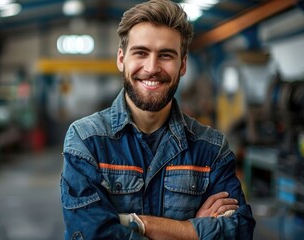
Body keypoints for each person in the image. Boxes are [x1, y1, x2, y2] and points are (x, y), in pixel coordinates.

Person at [60, 0, 256, 239]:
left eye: (165, 55)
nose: (152, 68)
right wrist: (191, 231)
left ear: (182, 65)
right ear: (121, 59)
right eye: (141, 53)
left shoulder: (211, 148)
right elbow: (92, 234)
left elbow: (240, 231)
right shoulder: (86, 141)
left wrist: (137, 223)